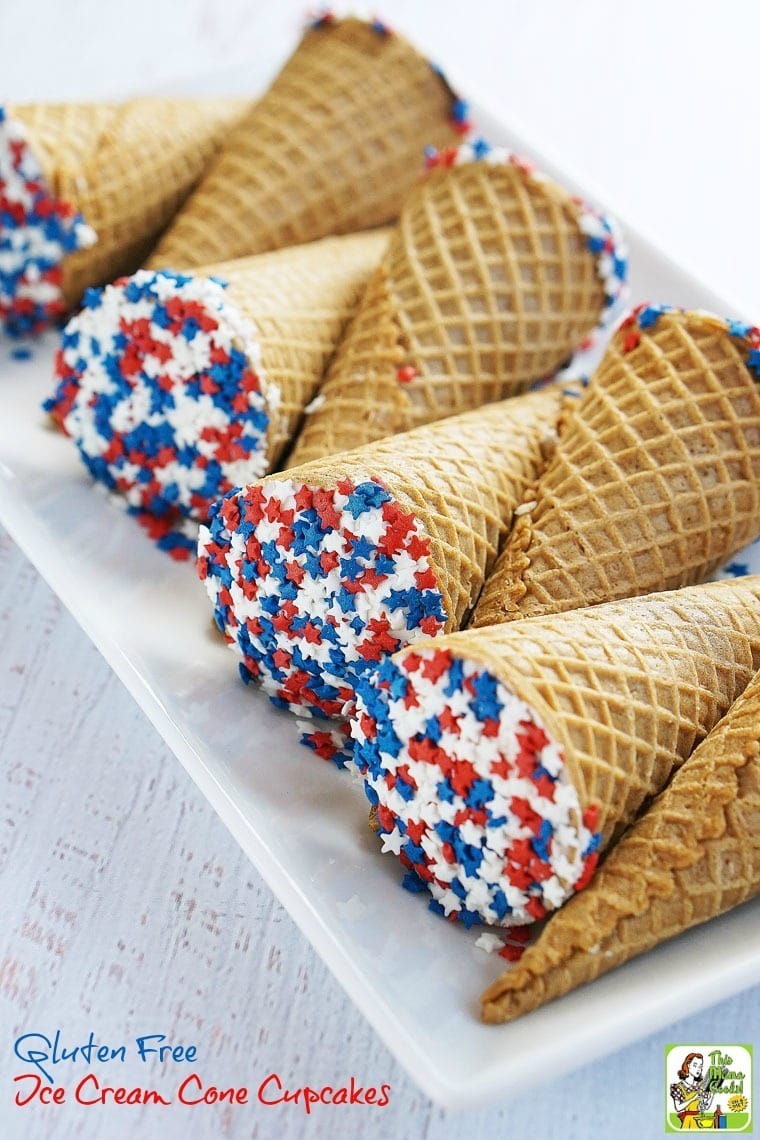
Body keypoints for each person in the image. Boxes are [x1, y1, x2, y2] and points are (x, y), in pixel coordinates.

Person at [670, 1053, 714, 1129]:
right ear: (688, 1065)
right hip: (688, 1121)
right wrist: (693, 1098)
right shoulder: (678, 1087)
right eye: (695, 1065)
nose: (698, 1069)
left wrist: (712, 1094)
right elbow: (678, 1108)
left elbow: (705, 1107)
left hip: (699, 1121)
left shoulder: (701, 1085)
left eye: (700, 1067)